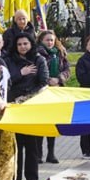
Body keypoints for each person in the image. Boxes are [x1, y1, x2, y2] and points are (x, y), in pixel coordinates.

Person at [3, 30, 48, 180]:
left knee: (33, 146)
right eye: (19, 44)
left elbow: (43, 82)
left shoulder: (39, 59)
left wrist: (28, 96)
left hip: (32, 108)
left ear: (31, 44)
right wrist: (20, 74)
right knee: (16, 146)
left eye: (25, 44)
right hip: (14, 106)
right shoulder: (8, 60)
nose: (23, 47)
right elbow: (6, 82)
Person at [37, 30, 69, 164]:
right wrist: (47, 80)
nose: (49, 42)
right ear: (41, 41)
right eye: (47, 40)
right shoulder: (38, 54)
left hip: (56, 91)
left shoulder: (59, 53)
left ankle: (51, 153)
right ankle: (38, 154)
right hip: (41, 92)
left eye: (51, 40)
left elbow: (67, 70)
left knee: (52, 123)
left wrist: (59, 79)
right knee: (39, 124)